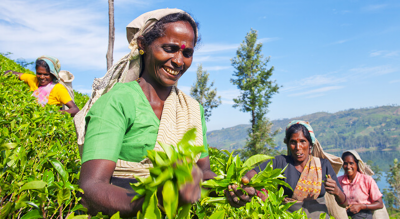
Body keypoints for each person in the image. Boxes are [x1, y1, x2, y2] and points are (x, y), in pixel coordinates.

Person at [75, 9, 251, 217]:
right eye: (169, 49)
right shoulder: (118, 101)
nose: (178, 61)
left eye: (187, 53)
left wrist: (229, 189)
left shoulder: (192, 109)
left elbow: (203, 172)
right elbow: (90, 186)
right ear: (142, 45)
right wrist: (152, 201)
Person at [242, 120, 348, 218]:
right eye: (293, 142)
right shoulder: (280, 162)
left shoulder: (322, 165)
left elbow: (344, 203)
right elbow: (252, 174)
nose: (298, 147)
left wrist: (337, 191)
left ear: (310, 144)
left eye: (303, 141)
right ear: (288, 144)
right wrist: (251, 186)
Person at [5, 56, 79, 116]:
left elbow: (75, 109)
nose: (42, 77)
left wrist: (55, 113)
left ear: (53, 74)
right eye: (39, 73)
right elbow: (10, 72)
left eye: (46, 74)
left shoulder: (58, 88)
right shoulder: (33, 79)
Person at [338, 150, 387, 219]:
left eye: (351, 163)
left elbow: (380, 204)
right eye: (345, 163)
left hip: (364, 214)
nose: (348, 167)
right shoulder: (339, 180)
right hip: (344, 215)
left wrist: (361, 206)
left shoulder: (366, 180)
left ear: (357, 164)